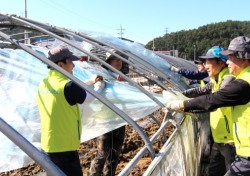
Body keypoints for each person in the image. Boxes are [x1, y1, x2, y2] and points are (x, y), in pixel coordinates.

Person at [166, 36, 250, 176]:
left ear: (243, 58)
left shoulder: (241, 83)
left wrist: (182, 104)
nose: (227, 61)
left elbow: (213, 100)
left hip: (241, 148)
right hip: (235, 144)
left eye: (230, 57)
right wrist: (183, 96)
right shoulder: (237, 79)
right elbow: (204, 93)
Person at [37, 46, 105, 176]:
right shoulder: (66, 85)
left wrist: (90, 80)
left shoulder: (45, 83)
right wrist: (99, 86)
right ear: (60, 64)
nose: (73, 65)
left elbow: (73, 91)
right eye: (70, 61)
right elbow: (88, 97)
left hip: (48, 144)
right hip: (64, 147)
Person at [182, 46, 236, 176]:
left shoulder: (228, 80)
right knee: (213, 171)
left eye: (208, 61)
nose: (205, 65)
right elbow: (200, 90)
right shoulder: (216, 79)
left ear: (221, 62)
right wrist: (181, 94)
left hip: (230, 140)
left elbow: (212, 101)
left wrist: (183, 104)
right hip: (219, 137)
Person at [89, 49, 128, 176]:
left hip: (119, 120)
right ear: (108, 62)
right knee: (102, 154)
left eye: (120, 59)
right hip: (104, 120)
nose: (119, 61)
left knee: (114, 154)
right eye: (115, 59)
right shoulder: (102, 76)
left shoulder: (123, 79)